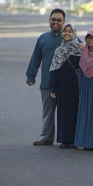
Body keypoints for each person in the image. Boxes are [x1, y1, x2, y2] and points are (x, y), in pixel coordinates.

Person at [26, 8, 67, 146]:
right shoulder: (43, 38)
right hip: (47, 82)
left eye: (59, 20)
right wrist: (31, 76)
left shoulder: (69, 37)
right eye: (53, 19)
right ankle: (46, 137)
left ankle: (66, 139)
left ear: (64, 22)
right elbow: (36, 59)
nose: (56, 22)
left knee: (65, 112)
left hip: (66, 84)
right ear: (49, 21)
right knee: (48, 112)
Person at [49, 22, 83, 148]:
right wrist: (53, 87)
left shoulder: (80, 49)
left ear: (74, 33)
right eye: (65, 31)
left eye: (70, 31)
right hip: (62, 85)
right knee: (63, 111)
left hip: (75, 85)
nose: (67, 33)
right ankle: (64, 139)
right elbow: (54, 70)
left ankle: (74, 139)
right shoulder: (59, 50)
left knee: (75, 111)